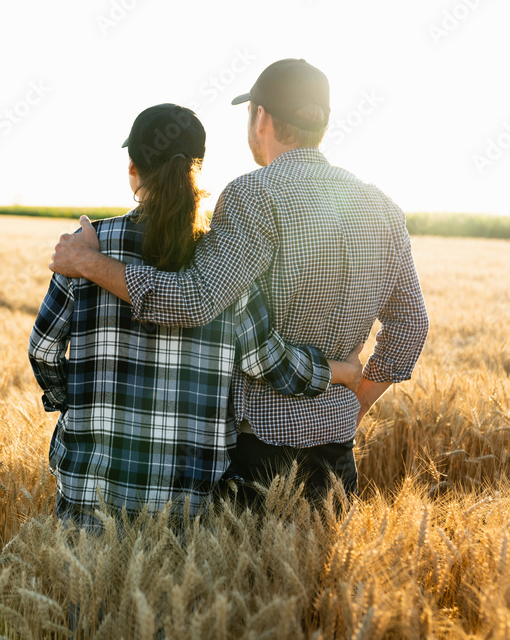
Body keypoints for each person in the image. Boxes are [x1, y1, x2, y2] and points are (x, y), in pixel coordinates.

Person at [50, 59, 428, 499]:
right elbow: (410, 327)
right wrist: (354, 402)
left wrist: (88, 263)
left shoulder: (254, 195)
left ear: (261, 117)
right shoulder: (382, 208)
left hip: (255, 453)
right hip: (337, 452)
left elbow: (192, 300)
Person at [29, 103, 363, 531]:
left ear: (132, 169)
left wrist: (78, 410)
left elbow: (43, 350)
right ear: (198, 169)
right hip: (189, 501)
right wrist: (342, 371)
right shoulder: (225, 261)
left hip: (91, 484)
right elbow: (267, 363)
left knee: (88, 600)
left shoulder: (87, 248)